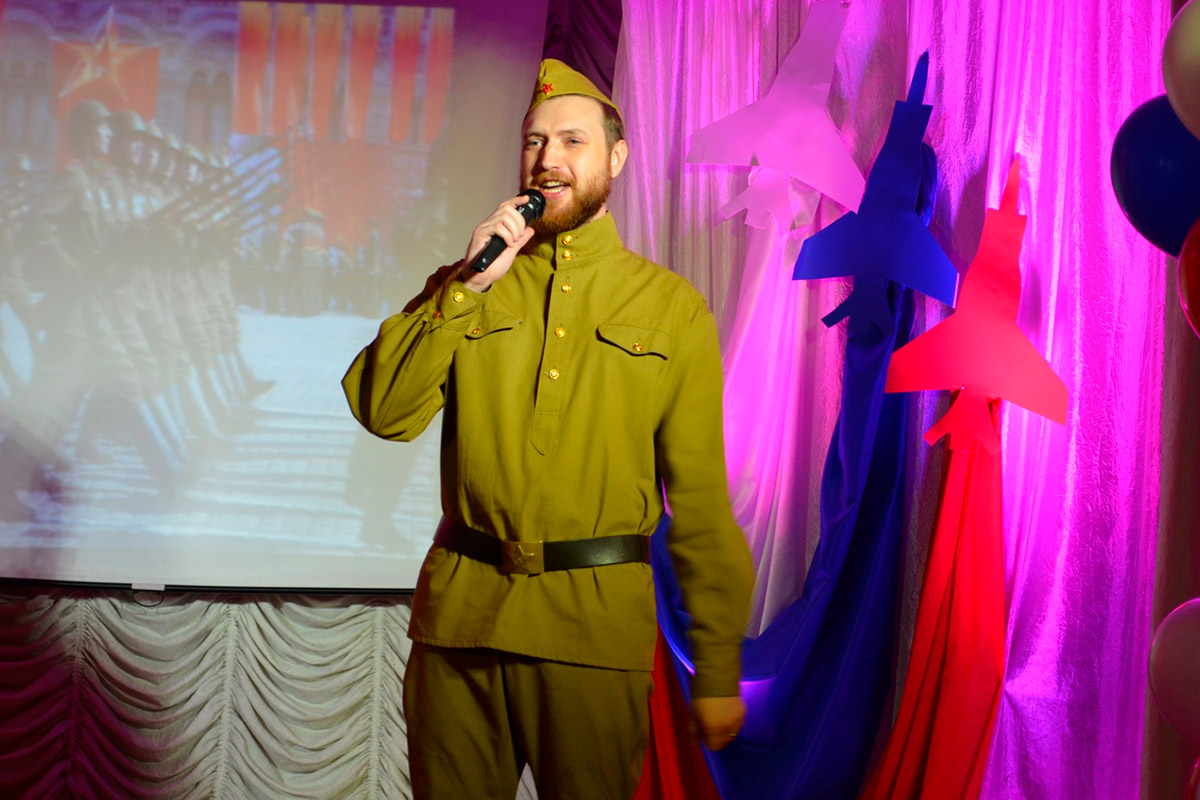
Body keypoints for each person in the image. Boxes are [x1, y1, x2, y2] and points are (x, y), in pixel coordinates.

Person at [342, 59, 753, 799]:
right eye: (534, 141)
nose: (547, 159)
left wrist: (717, 665)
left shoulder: (671, 307)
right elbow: (384, 411)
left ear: (615, 159)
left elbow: (698, 500)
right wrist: (467, 287)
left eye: (572, 140)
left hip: (594, 634)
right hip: (460, 630)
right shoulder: (467, 281)